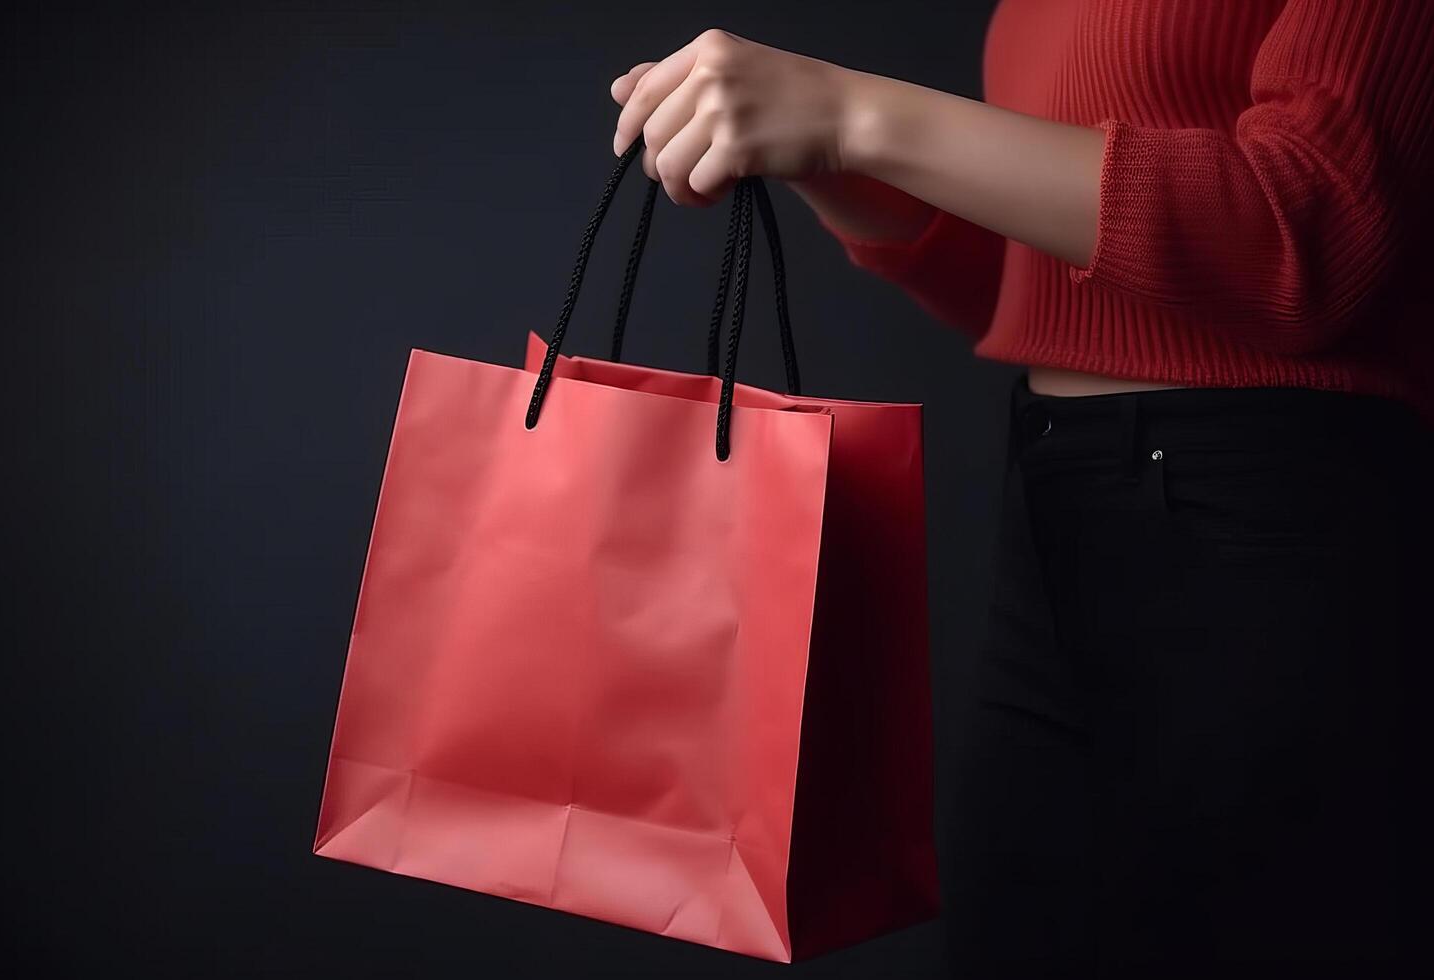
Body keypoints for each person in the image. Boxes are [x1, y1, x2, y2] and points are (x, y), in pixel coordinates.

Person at [608, 3, 1433, 976]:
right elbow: (1028, 282)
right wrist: (820, 157)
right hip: (1060, 500)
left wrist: (848, 113)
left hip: (1271, 521)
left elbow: (1313, 233)